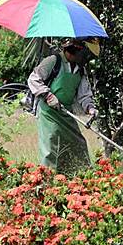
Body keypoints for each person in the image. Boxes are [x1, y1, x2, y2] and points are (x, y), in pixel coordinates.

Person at [27, 38, 99, 173]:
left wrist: (90, 108)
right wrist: (48, 95)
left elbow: (84, 94)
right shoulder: (53, 61)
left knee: (78, 143)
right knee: (51, 144)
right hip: (48, 112)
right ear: (74, 52)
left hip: (65, 112)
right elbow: (33, 79)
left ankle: (76, 176)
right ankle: (48, 180)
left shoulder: (80, 69)